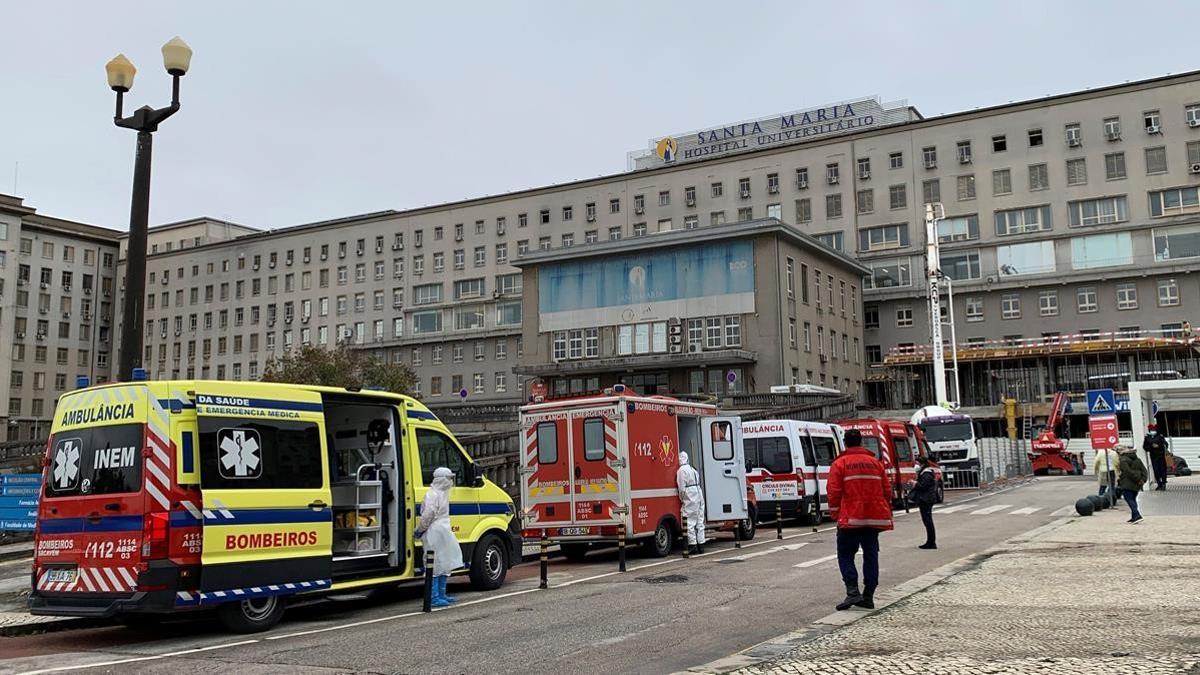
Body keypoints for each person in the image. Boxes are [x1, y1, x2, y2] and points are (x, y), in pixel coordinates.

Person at [827, 429, 893, 611]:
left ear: (845, 442)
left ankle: (852, 591)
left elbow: (833, 492)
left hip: (850, 518)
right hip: (873, 518)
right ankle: (869, 596)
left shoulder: (840, 463)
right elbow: (887, 490)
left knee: (845, 554)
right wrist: (883, 510)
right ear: (861, 441)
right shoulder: (875, 463)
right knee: (871, 555)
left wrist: (835, 514)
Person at [414, 467, 464, 607]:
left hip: (442, 531)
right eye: (448, 478)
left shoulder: (442, 493)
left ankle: (441, 594)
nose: (450, 482)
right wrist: (420, 530)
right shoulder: (432, 494)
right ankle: (434, 597)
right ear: (441, 479)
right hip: (434, 532)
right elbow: (428, 515)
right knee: (434, 563)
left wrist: (419, 531)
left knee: (444, 562)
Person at [676, 451, 706, 554]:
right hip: (699, 494)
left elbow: (681, 488)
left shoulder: (681, 471)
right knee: (699, 521)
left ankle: (692, 545)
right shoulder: (693, 469)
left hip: (690, 495)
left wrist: (682, 499)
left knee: (688, 521)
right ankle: (701, 544)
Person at [908, 455, 938, 550]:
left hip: (926, 499)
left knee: (928, 521)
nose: (916, 465)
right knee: (927, 521)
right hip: (925, 499)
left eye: (917, 463)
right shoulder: (924, 473)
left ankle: (931, 542)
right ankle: (930, 541)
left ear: (922, 464)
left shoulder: (927, 474)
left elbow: (923, 486)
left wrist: (915, 483)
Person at [1117, 446, 1147, 524]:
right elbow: (1144, 470)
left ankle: (1137, 516)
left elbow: (1127, 471)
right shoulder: (1137, 459)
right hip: (1137, 484)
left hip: (1127, 483)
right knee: (1133, 499)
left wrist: (1137, 479)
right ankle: (1134, 517)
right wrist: (1143, 480)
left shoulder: (1123, 460)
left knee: (1129, 499)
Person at [1143, 424, 1169, 491]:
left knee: (1163, 470)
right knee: (1156, 470)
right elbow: (1145, 446)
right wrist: (1151, 447)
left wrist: (1159, 446)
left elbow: (1166, 444)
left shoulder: (1160, 436)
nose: (1153, 431)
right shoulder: (1147, 437)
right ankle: (1159, 483)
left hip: (1161, 456)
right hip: (1153, 456)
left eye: (1154, 430)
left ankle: (1163, 484)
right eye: (1151, 430)